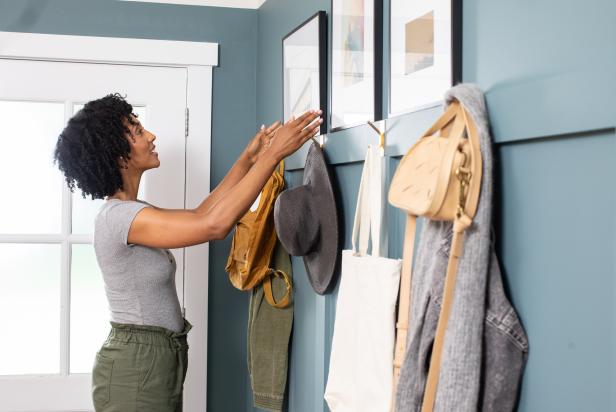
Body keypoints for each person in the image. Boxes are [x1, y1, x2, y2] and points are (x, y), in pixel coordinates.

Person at [53, 93, 322, 411]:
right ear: (118, 155)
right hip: (136, 367)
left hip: (152, 360)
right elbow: (214, 225)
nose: (151, 136)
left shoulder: (129, 211)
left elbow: (202, 213)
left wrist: (248, 160)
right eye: (138, 132)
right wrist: (274, 154)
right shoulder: (119, 217)